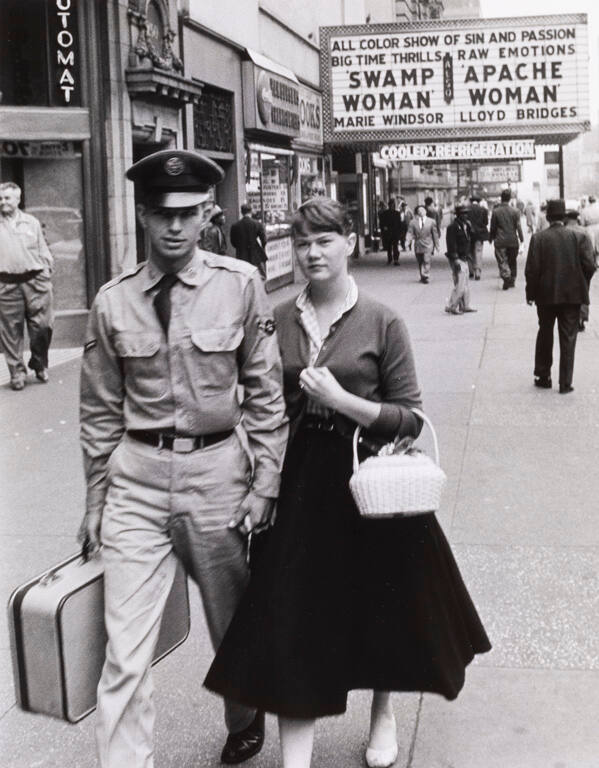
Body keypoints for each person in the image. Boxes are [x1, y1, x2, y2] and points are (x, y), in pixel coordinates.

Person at [205, 197, 491, 768]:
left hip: (369, 481)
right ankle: (296, 757)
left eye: (324, 241)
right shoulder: (277, 318)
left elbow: (409, 415)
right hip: (298, 480)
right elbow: (260, 402)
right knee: (292, 613)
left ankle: (382, 716)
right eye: (304, 242)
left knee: (381, 604)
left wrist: (344, 401)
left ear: (350, 244)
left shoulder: (383, 320)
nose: (312, 252)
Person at [78, 149, 288, 767]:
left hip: (218, 478)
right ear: (144, 216)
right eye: (163, 214)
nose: (175, 226)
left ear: (207, 216)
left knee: (232, 625)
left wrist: (265, 482)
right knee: (125, 651)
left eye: (188, 214)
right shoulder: (112, 302)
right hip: (136, 484)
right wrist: (95, 500)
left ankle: (245, 714)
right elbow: (97, 413)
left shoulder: (240, 284)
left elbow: (266, 393)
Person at [525, 199, 596, 393]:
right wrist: (582, 283)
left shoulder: (538, 238)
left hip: (546, 296)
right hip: (572, 296)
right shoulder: (578, 237)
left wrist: (531, 294)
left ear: (547, 217)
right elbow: (590, 266)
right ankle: (565, 382)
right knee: (568, 338)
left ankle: (543, 375)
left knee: (545, 333)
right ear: (564, 217)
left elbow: (531, 271)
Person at [0, 181, 54, 390]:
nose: (2, 201)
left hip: (36, 281)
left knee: (43, 326)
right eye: (0, 198)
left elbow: (43, 249)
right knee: (10, 331)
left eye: (7, 197)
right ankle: (17, 373)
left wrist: (47, 272)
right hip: (6, 284)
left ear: (17, 199)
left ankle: (39, 363)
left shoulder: (31, 222)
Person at [564, 208, 594, 332]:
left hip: (566, 269)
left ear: (566, 218)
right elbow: (589, 256)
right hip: (582, 270)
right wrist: (589, 273)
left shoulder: (564, 232)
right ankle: (581, 319)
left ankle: (569, 318)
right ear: (577, 218)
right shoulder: (584, 232)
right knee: (583, 294)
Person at [445, 205, 477, 315]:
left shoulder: (466, 225)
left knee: (465, 283)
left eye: (466, 213)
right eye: (463, 214)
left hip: (464, 257)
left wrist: (470, 228)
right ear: (458, 215)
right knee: (461, 284)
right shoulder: (452, 227)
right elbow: (451, 244)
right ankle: (452, 305)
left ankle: (465, 305)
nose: (465, 215)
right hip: (457, 258)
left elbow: (472, 238)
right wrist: (455, 259)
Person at [489, 188, 524, 290]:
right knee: (512, 260)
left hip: (500, 241)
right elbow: (518, 226)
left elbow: (493, 227)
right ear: (509, 199)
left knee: (502, 260)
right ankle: (512, 279)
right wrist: (521, 239)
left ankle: (506, 277)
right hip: (513, 241)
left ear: (501, 198)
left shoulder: (495, 211)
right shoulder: (516, 211)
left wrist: (491, 237)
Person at [230, 202, 268, 279]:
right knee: (260, 276)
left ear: (241, 212)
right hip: (256, 255)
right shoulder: (257, 224)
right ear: (250, 211)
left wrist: (240, 247)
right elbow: (264, 240)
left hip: (242, 255)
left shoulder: (235, 226)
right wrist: (262, 247)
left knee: (244, 277)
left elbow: (233, 242)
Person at [406, 203, 439, 283]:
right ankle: (422, 275)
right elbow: (410, 233)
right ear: (417, 213)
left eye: (423, 210)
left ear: (425, 212)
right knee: (420, 261)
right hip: (418, 244)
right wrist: (407, 242)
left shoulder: (431, 221)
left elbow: (435, 234)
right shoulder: (413, 222)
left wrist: (437, 245)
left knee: (426, 260)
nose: (421, 212)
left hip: (428, 244)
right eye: (419, 211)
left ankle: (426, 275)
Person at [466, 195, 489, 280]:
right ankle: (478, 272)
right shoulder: (483, 210)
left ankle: (471, 271)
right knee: (478, 252)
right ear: (478, 201)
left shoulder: (466, 209)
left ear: (471, 201)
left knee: (469, 252)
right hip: (479, 234)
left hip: (468, 234)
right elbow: (486, 222)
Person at [378, 198, 401, 265]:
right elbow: (382, 223)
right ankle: (390, 259)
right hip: (388, 232)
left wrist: (399, 232)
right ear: (389, 205)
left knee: (395, 246)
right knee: (389, 246)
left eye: (393, 205)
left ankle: (396, 259)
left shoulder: (397, 213)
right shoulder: (385, 213)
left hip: (395, 232)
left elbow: (399, 223)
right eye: (391, 205)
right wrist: (384, 229)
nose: (392, 206)